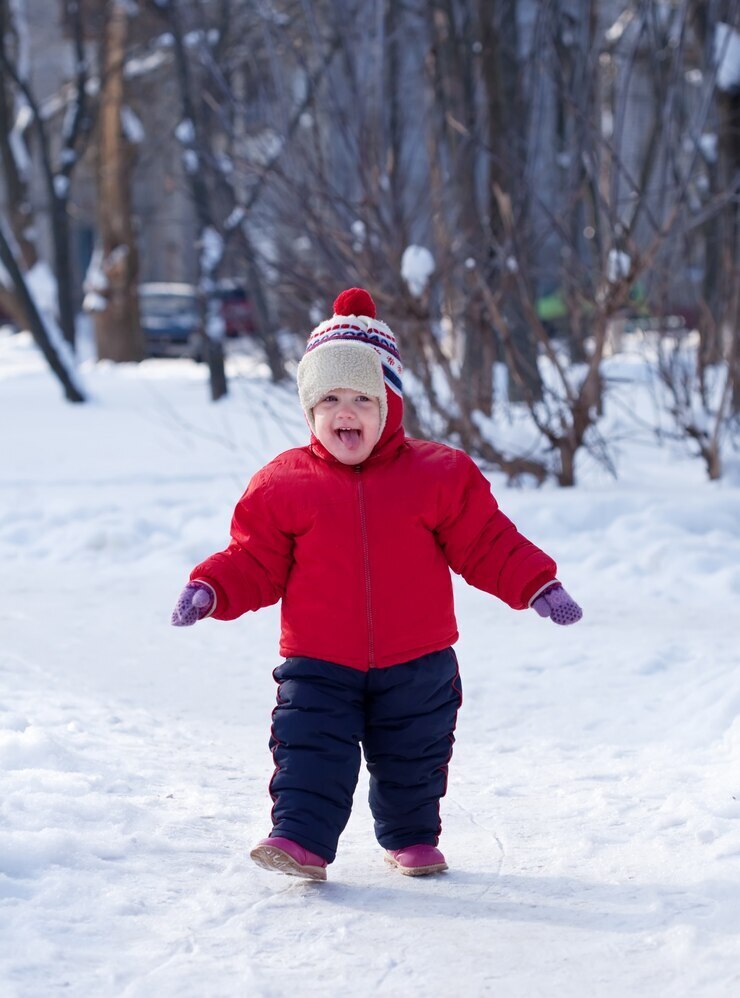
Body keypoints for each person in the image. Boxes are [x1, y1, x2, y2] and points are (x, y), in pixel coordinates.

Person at [171, 287, 582, 882]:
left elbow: (486, 541)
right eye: (330, 398)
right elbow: (254, 559)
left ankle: (412, 836)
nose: (346, 411)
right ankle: (300, 840)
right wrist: (211, 587)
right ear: (310, 409)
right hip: (316, 658)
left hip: (418, 657)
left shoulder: (438, 474)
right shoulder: (284, 483)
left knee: (414, 754)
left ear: (391, 404)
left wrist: (539, 585)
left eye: (363, 397)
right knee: (309, 749)